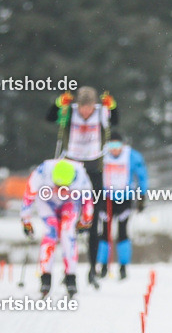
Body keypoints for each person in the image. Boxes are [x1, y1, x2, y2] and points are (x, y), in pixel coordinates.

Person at [46, 86, 118, 287]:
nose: (85, 112)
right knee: (70, 220)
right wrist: (59, 103)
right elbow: (51, 117)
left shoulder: (100, 112)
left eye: (89, 108)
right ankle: (69, 270)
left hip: (95, 169)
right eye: (83, 108)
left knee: (94, 220)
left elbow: (115, 121)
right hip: (72, 170)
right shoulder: (71, 111)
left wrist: (112, 106)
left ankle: (93, 269)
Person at [20, 158, 94, 297]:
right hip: (47, 203)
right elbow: (28, 195)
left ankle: (71, 277)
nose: (61, 191)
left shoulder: (81, 176)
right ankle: (45, 278)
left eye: (65, 188)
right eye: (58, 186)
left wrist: (85, 221)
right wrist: (26, 220)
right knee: (50, 233)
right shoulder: (42, 172)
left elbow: (88, 200)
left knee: (67, 233)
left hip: (70, 203)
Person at [97, 131, 149, 279]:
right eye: (111, 145)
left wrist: (141, 196)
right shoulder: (102, 156)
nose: (114, 149)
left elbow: (142, 176)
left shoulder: (132, 156)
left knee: (122, 232)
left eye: (117, 145)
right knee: (105, 233)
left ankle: (123, 266)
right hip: (106, 199)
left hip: (124, 200)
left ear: (123, 145)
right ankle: (103, 266)